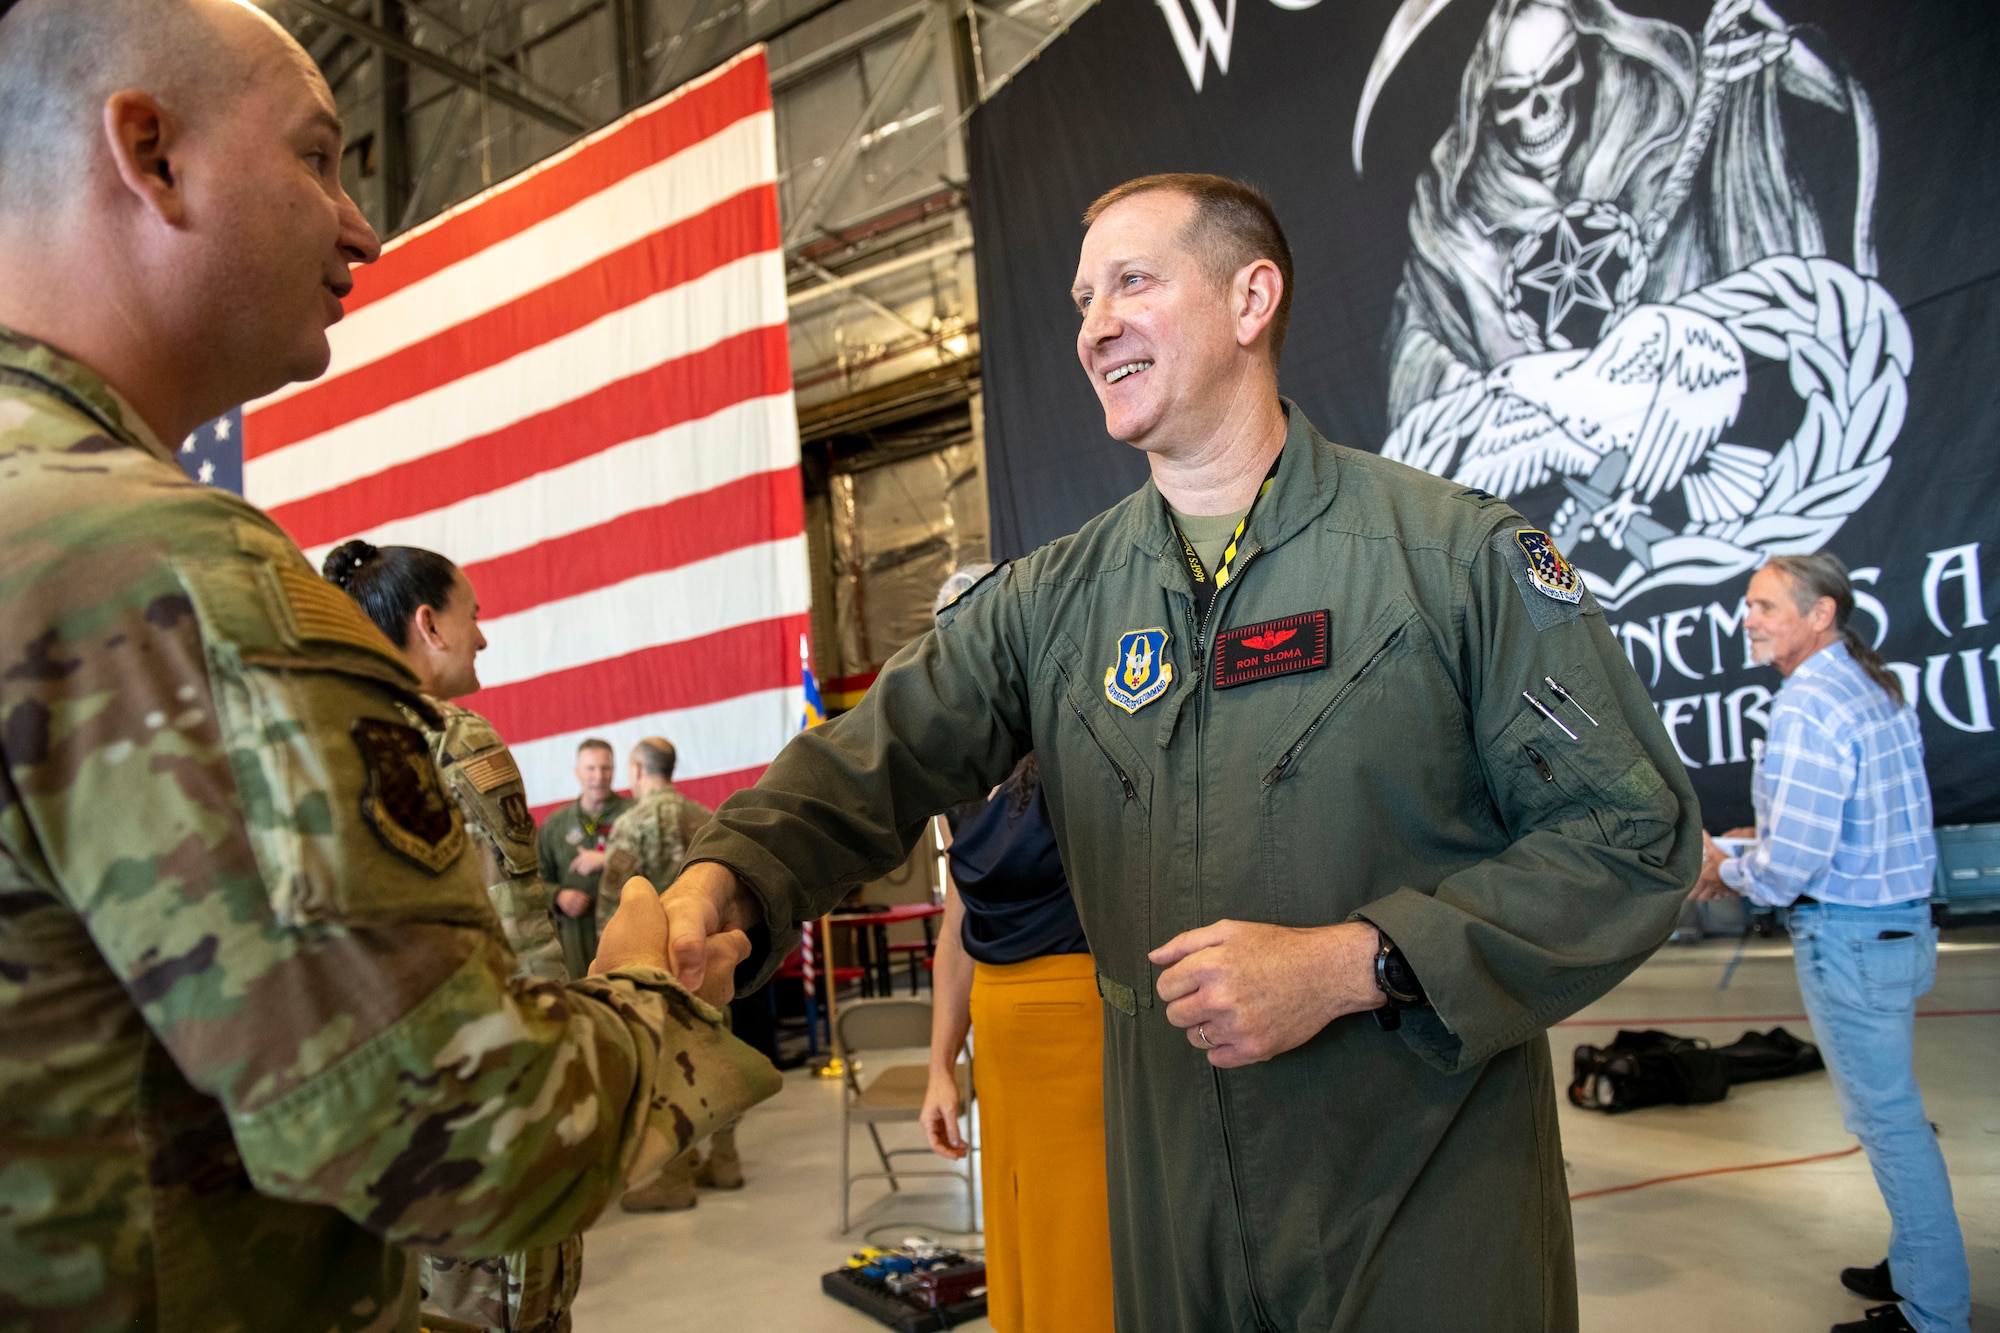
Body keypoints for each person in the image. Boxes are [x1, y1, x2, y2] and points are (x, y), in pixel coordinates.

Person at [657, 172, 1701, 1330]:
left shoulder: (1451, 560)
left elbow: (1629, 838)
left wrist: (1356, 963)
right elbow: (871, 760)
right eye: (1079, 298)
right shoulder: (1050, 603)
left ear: (1251, 298)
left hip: (1421, 1193)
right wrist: (724, 878)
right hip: (1166, 1211)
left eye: (1132, 281)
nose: (1094, 323)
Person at [0, 3, 778, 1327]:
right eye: (317, 159)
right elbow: (466, 1140)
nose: (360, 225)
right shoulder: (166, 575)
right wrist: (644, 981)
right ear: (153, 153)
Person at [1691, 554, 1969, 1333]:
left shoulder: (1808, 703)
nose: (1748, 617)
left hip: (1850, 941)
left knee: (1889, 1123)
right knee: (1896, 1116)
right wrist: (1755, 846)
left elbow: (1792, 866)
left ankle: (1933, 1311)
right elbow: (1845, 824)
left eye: (1766, 604)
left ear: (1820, 614)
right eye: (1747, 603)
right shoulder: (1868, 684)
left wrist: (1725, 864)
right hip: (1893, 930)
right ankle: (1919, 1257)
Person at [323, 538, 579, 1333]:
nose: (483, 637)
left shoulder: (332, 736)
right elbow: (521, 928)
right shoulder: (455, 739)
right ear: (428, 624)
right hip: (483, 1095)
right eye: (475, 617)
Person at [920, 744, 1115, 1333]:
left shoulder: (1080, 756)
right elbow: (954, 939)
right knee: (1014, 1220)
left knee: (1082, 1230)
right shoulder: (962, 781)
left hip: (1078, 1024)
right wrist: (939, 1070)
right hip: (998, 1032)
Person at [599, 737, 731, 1212]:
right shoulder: (707, 818)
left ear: (636, 769)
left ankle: (674, 1179)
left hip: (653, 967)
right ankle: (725, 1160)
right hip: (710, 958)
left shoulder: (631, 824)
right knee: (716, 1055)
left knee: (668, 1071)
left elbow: (612, 902)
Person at [539, 739, 631, 979]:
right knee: (585, 997)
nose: (598, 776)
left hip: (628, 928)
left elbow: (659, 865)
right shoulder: (556, 825)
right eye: (590, 768)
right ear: (577, 772)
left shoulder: (635, 816)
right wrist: (558, 895)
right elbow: (536, 879)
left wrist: (608, 858)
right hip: (576, 935)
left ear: (614, 769)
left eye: (606, 768)